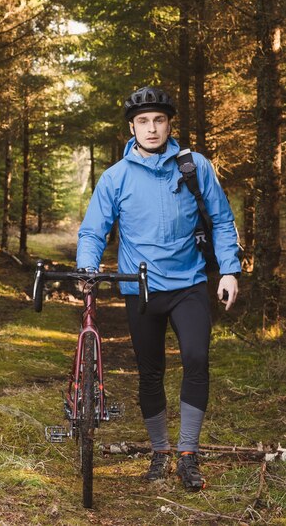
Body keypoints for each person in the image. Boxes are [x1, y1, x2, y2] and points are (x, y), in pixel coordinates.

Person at [76, 85, 241, 491]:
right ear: (132, 128)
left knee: (197, 360)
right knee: (150, 372)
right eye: (144, 121)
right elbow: (94, 230)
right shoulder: (116, 177)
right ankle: (158, 451)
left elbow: (221, 219)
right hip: (140, 286)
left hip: (189, 284)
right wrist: (87, 267)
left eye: (159, 120)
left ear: (169, 125)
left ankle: (187, 454)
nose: (152, 128)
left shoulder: (195, 166)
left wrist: (230, 271)